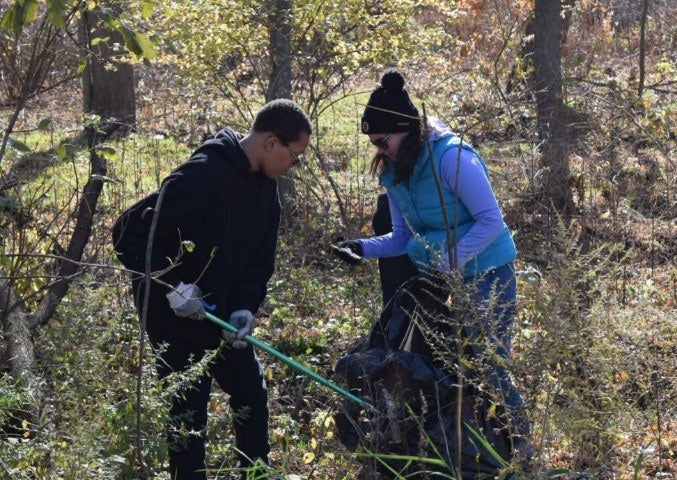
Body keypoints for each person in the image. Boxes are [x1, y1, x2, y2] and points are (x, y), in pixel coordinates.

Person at [112, 99, 312, 479]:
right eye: (294, 155)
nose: (293, 166)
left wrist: (244, 308)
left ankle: (255, 474)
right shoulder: (204, 174)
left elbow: (259, 263)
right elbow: (128, 232)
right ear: (271, 143)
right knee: (189, 414)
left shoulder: (267, 191)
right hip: (175, 316)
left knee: (251, 394)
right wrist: (172, 285)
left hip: (222, 316)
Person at [332, 70, 529, 453]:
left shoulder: (453, 159)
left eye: (383, 140)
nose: (379, 149)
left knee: (488, 364)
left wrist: (449, 261)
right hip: (438, 280)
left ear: (406, 130)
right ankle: (464, 452)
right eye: (373, 143)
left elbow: (492, 221)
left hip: (488, 274)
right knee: (446, 367)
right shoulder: (394, 173)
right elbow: (402, 238)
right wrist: (361, 248)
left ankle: (518, 448)